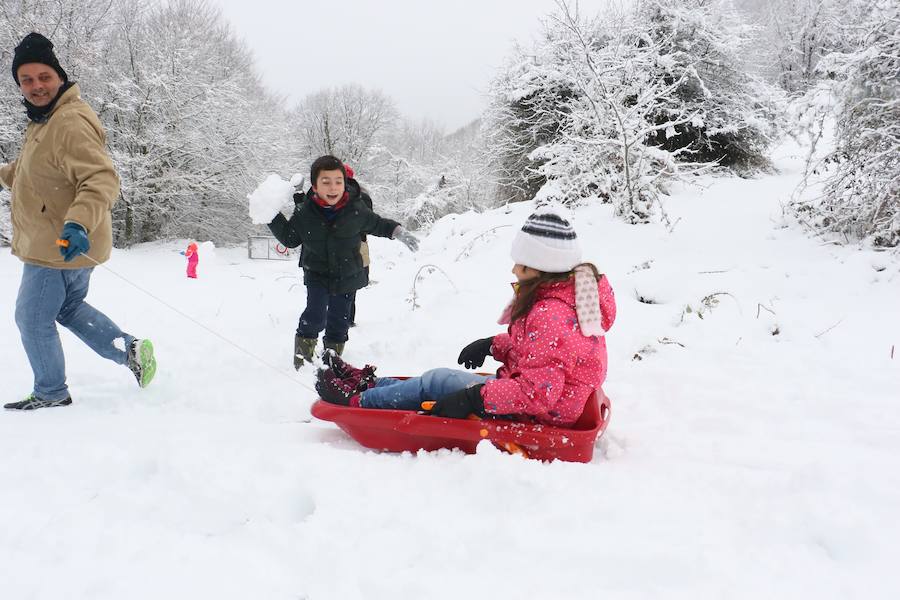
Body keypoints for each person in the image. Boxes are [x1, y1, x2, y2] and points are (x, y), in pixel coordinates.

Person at [316, 207, 617, 428]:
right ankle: (369, 386)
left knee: (437, 381)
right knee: (435, 381)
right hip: (555, 402)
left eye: (522, 266)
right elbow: (542, 353)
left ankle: (359, 402)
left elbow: (538, 394)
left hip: (540, 413)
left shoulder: (551, 313)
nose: (514, 271)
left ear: (545, 269)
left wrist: (475, 399)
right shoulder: (570, 296)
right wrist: (493, 345)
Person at [0, 33, 157, 410]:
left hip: (57, 244)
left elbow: (101, 178)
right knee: (67, 308)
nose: (36, 86)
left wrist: (77, 224)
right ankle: (128, 349)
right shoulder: (44, 120)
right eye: (27, 80)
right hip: (64, 241)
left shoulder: (67, 122)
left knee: (33, 319)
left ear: (59, 75)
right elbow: (32, 174)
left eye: (44, 77)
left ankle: (51, 392)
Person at [267, 155, 419, 369]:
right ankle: (302, 359)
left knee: (340, 321)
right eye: (326, 181)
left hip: (348, 274)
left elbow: (378, 224)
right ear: (315, 185)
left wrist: (397, 231)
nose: (333, 187)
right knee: (315, 315)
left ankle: (332, 361)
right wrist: (270, 215)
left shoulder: (356, 209)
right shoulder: (306, 212)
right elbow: (291, 238)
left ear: (345, 183)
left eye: (338, 181)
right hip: (317, 274)